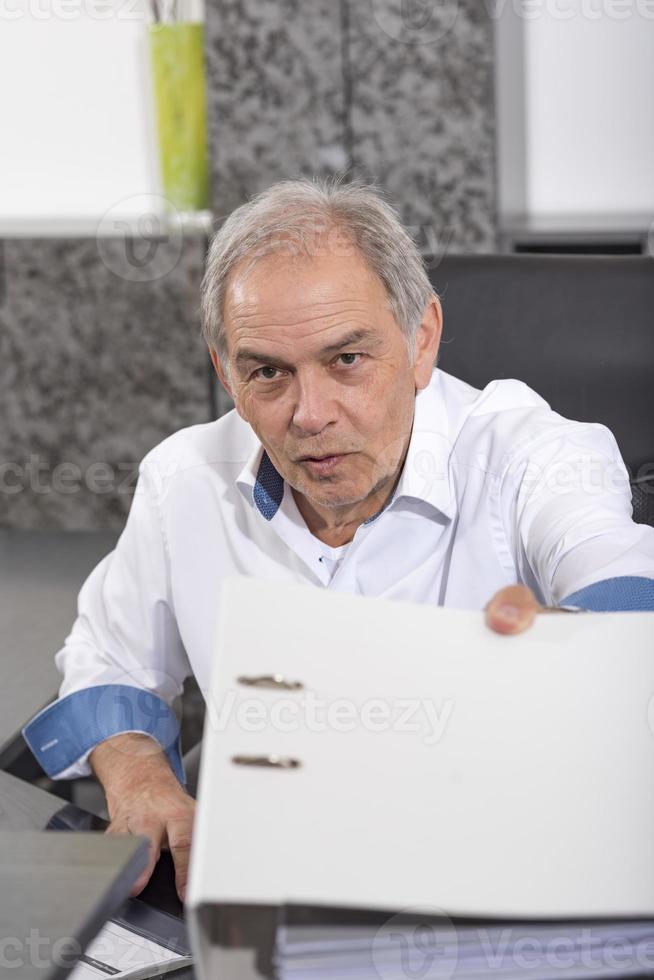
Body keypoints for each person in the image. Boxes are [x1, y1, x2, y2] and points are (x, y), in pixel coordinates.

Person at [23, 178, 654, 903]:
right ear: (226, 372)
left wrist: (572, 650)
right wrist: (139, 777)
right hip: (269, 893)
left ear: (421, 340)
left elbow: (622, 576)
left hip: (490, 881)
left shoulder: (538, 455)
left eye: (347, 360)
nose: (310, 414)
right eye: (269, 372)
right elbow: (108, 658)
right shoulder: (184, 480)